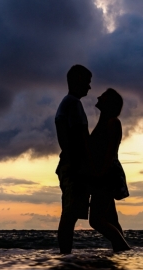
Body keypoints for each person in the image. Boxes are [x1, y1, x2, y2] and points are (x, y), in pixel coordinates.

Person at [54, 65, 92, 254]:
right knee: (69, 215)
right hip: (75, 165)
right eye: (87, 82)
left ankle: (65, 255)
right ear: (77, 81)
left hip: (69, 163)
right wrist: (85, 163)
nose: (89, 87)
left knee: (69, 214)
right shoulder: (73, 104)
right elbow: (80, 136)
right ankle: (65, 255)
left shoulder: (66, 103)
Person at [88, 88, 131, 252]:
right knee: (111, 219)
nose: (99, 96)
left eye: (103, 96)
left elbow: (110, 152)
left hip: (106, 175)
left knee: (96, 220)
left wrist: (100, 175)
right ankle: (121, 253)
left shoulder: (113, 122)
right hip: (103, 174)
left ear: (109, 103)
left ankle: (124, 249)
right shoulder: (104, 122)